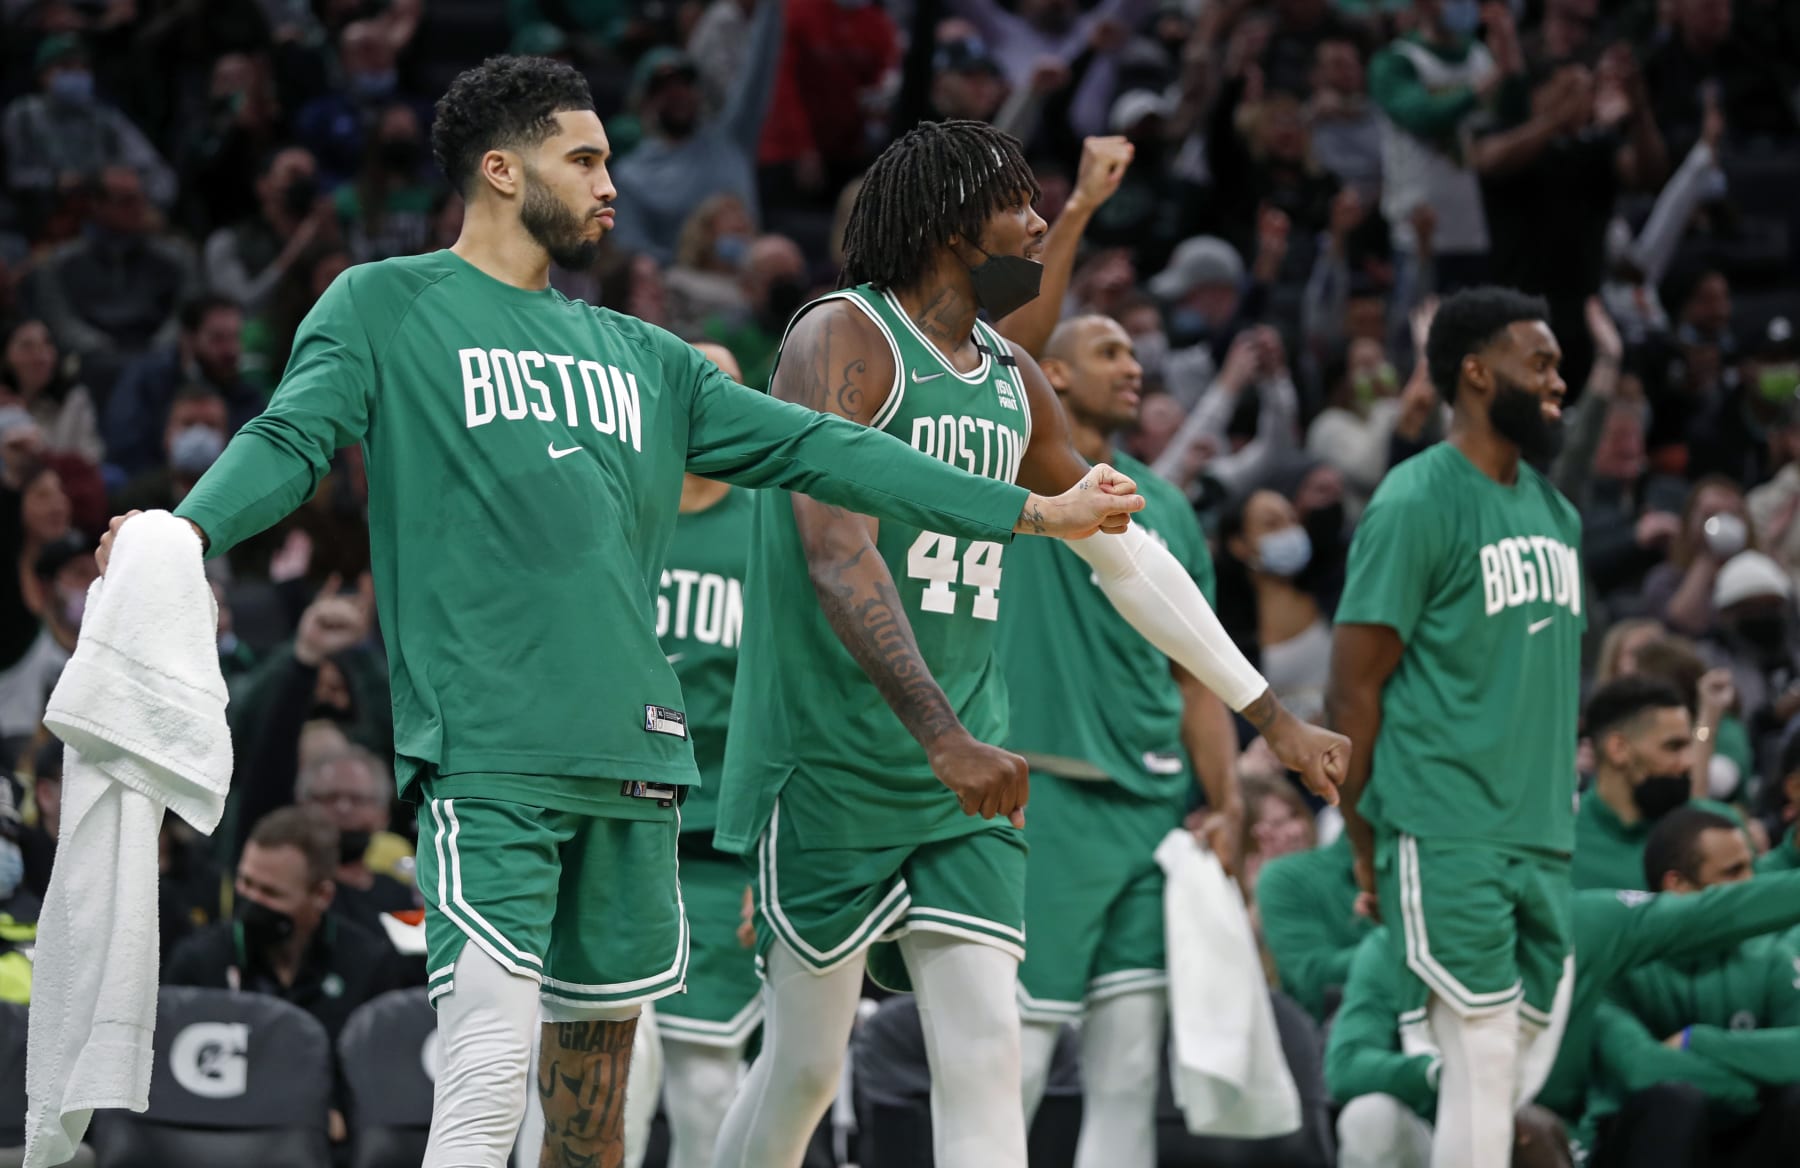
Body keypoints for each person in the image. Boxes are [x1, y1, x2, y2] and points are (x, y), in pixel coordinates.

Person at [96, 58, 1140, 1168]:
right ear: (502, 170)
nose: (609, 184)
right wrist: (185, 533)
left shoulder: (644, 355)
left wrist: (1031, 511)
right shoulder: (388, 304)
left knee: (594, 1123)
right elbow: (290, 437)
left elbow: (830, 449)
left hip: (639, 762)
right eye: (584, 159)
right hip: (492, 752)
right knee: (485, 1076)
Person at [712, 119, 1347, 1168]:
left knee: (987, 1053)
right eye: (1019, 203)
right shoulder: (841, 337)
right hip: (833, 759)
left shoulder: (1013, 376)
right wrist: (942, 735)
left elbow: (1126, 555)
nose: (1041, 221)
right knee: (807, 1070)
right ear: (952, 223)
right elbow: (837, 554)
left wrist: (1269, 715)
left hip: (969, 778)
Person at [1328, 286, 1580, 1168]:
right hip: (1444, 820)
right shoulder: (1414, 500)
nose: (1559, 381)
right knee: (1480, 1053)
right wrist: (1365, 837)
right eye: (1540, 363)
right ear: (1476, 373)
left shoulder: (1558, 513)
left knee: (1510, 1063)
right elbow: (1351, 690)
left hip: (1542, 828)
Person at [997, 314, 1241, 1168]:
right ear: (1054, 374)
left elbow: (1196, 675)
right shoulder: (1017, 470)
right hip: (1050, 796)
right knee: (1018, 1063)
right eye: (1110, 352)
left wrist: (1228, 801)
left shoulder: (1165, 504)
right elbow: (1005, 339)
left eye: (1136, 354)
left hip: (1153, 811)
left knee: (1131, 1070)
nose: (1134, 367)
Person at [653, 342, 761, 1168]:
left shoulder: (775, 522)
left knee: (705, 1079)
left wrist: (773, 852)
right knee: (583, 1071)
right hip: (607, 824)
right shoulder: (610, 503)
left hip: (720, 838)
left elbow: (803, 697)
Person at [1598, 807, 1800, 1165]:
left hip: (1749, 1146)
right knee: (1675, 1102)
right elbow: (1641, 1068)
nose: (1753, 883)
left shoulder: (1771, 955)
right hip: (1644, 1143)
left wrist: (1698, 1041)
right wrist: (1752, 1087)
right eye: (1734, 872)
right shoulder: (1620, 963)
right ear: (1678, 886)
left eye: (1752, 866)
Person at [163, 806, 401, 1042]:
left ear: (322, 895)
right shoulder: (200, 963)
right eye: (246, 882)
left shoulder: (367, 967)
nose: (253, 900)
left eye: (270, 892)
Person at [1572, 676, 1705, 890]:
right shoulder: (1562, 839)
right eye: (1673, 746)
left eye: (1688, 746)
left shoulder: (1715, 833)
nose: (1689, 761)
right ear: (1619, 749)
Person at [294, 746, 417, 935]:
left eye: (357, 799)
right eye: (330, 797)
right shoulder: (290, 889)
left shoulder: (401, 898)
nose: (343, 808)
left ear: (383, 814)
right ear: (303, 806)